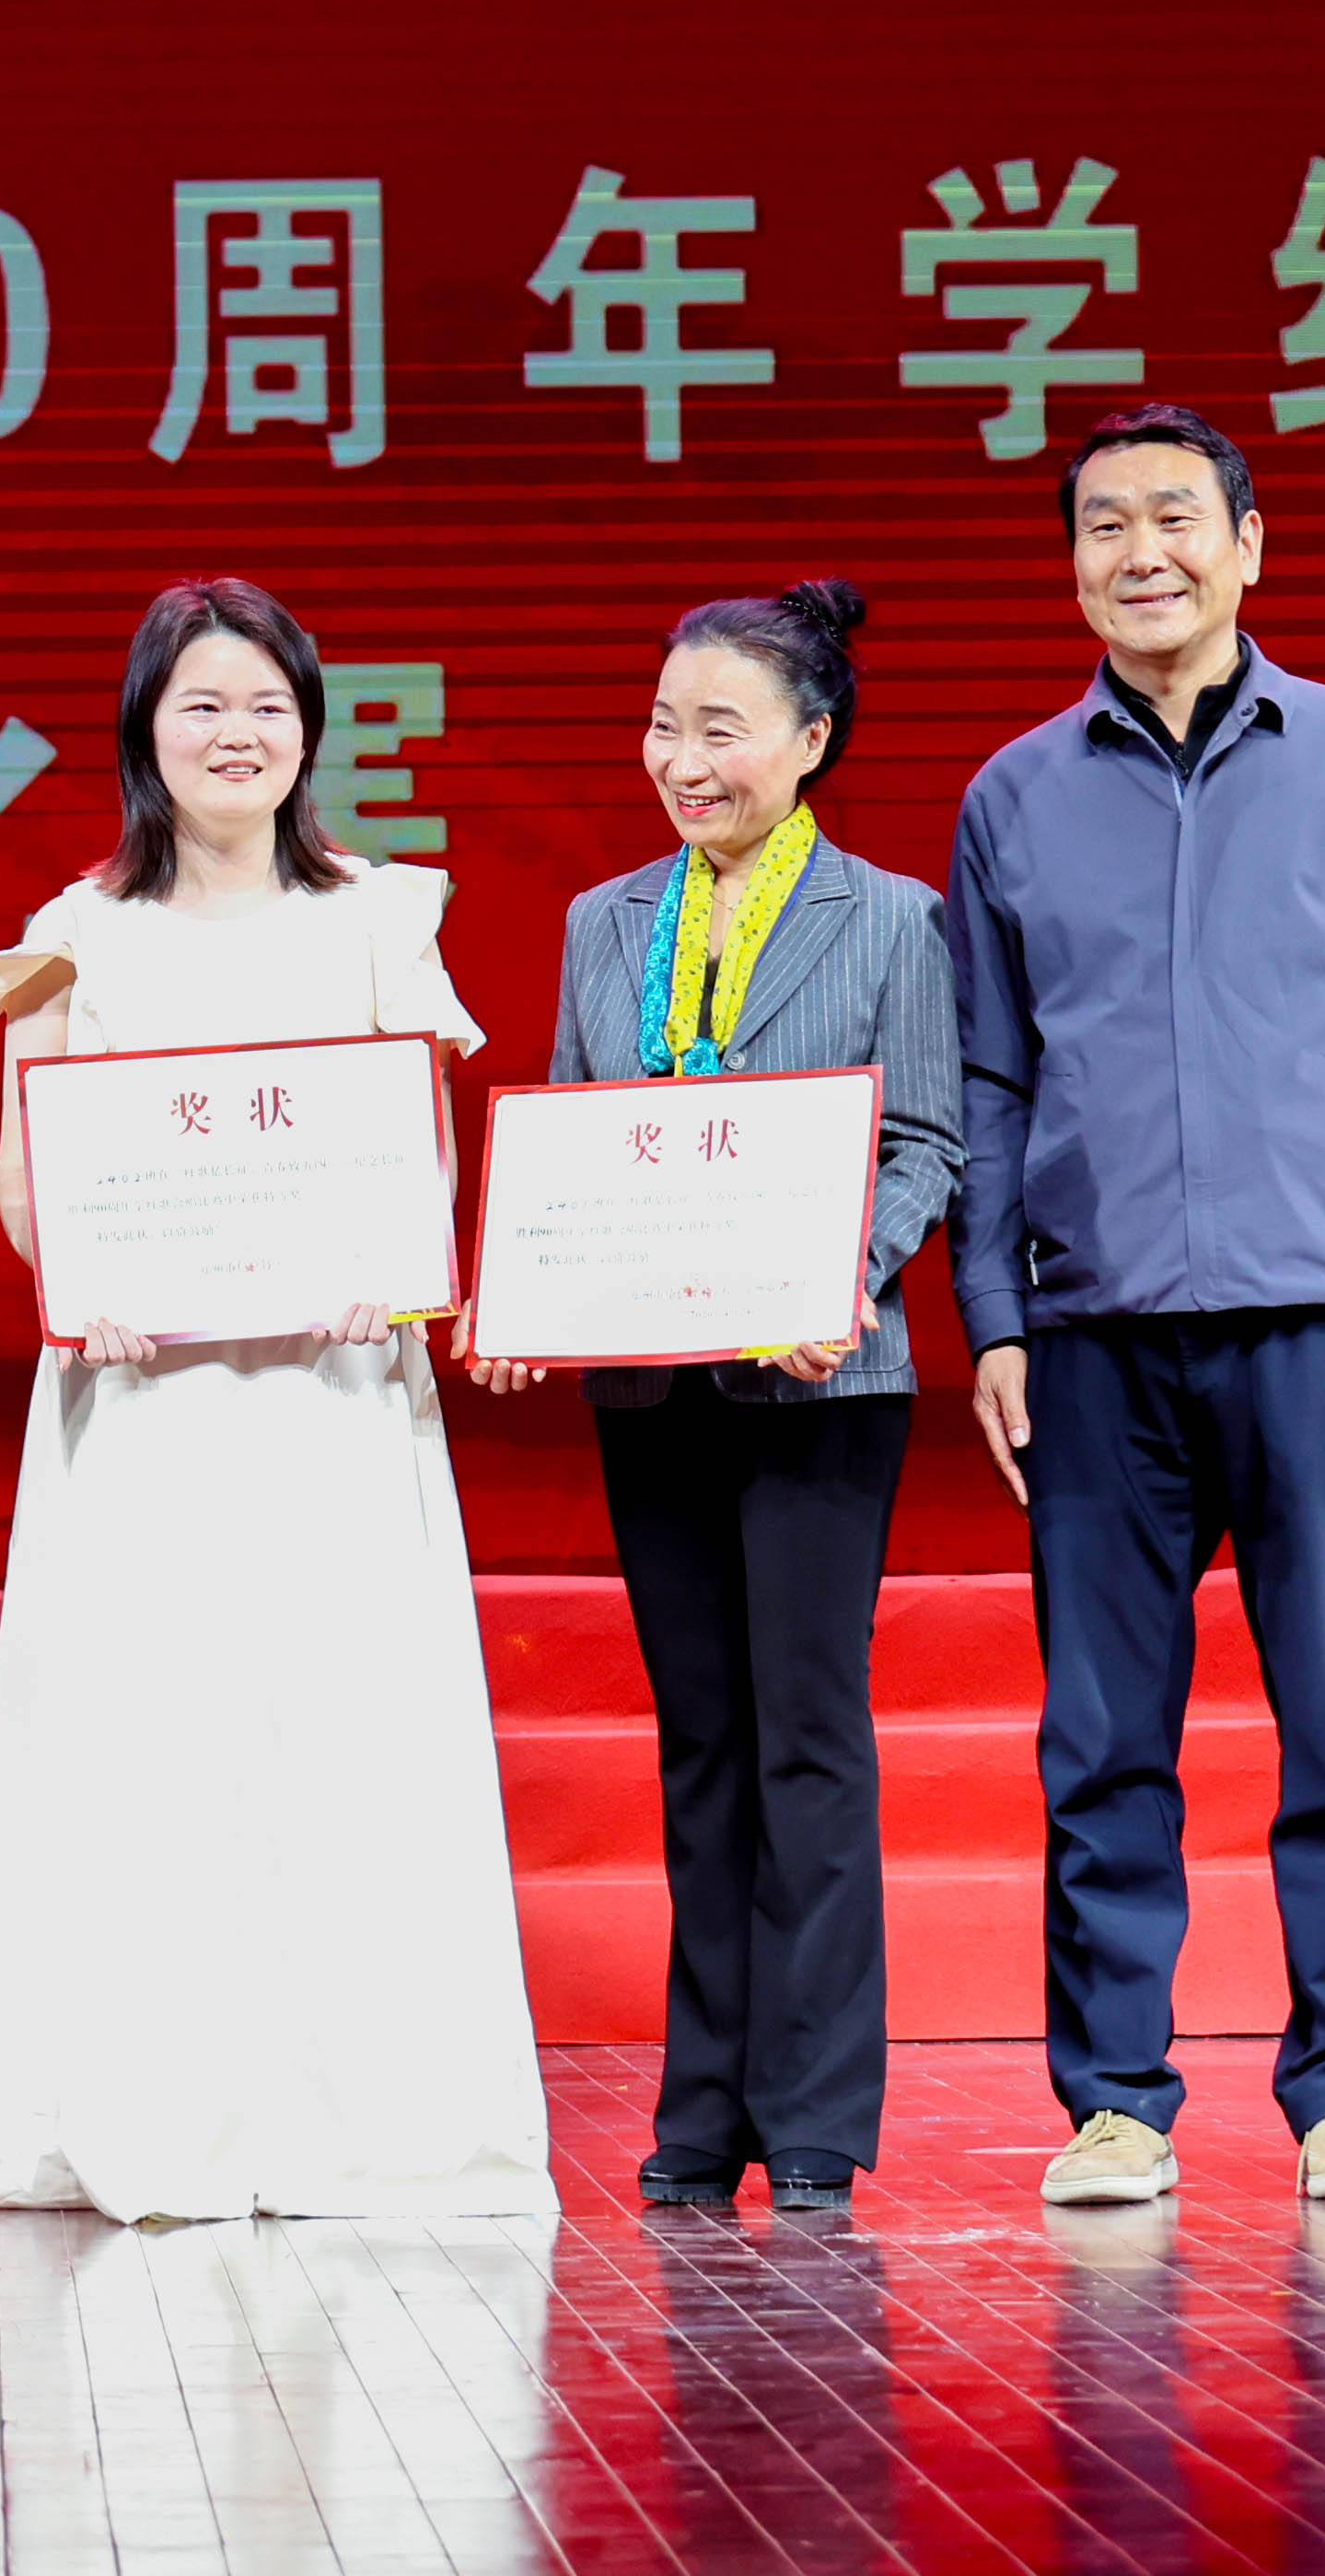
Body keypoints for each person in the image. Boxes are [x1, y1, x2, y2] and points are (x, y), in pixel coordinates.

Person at [952, 405, 1325, 2212]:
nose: (1142, 554)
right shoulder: (1012, 798)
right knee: (1100, 1741)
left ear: (1250, 545)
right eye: (1104, 525)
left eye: (1176, 518)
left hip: (1322, 1318)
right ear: (1071, 566)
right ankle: (1114, 2103)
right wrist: (992, 1314)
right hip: (1093, 1332)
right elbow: (992, 1081)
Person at [0, 577, 552, 2223]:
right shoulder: (78, 932)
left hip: (331, 1395)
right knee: (157, 1758)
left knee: (347, 1746)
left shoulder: (376, 914)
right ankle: (162, 2113)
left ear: (310, 733)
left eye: (268, 707)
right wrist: (83, 1282)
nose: (238, 735)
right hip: (145, 1405)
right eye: (203, 705)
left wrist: (401, 1267)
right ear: (144, 732)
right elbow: (30, 1177)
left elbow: (418, 1156)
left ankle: (370, 2119)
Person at [463, 579, 961, 2214]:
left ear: (811, 742)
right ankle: (704, 2106)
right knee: (700, 1744)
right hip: (656, 1386)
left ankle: (812, 2113)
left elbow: (926, 1142)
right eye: (664, 725)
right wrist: (529, 1297)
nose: (684, 760)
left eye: (721, 729)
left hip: (822, 1382)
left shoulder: (890, 919)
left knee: (808, 1736)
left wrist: (841, 1277)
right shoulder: (605, 922)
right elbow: (577, 1143)